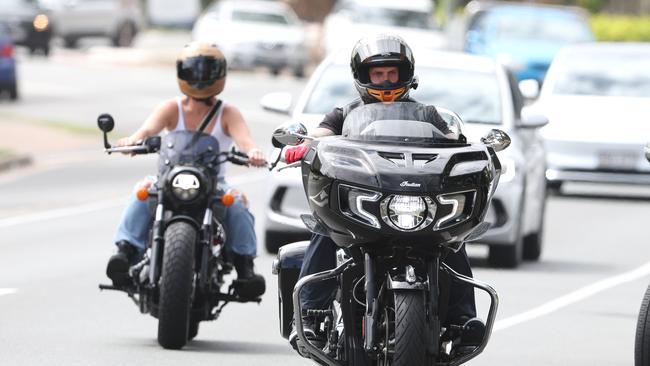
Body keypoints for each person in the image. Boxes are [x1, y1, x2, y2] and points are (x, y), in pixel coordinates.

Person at [285, 34, 484, 350]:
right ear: (363, 77)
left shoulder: (427, 115)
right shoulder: (343, 114)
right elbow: (321, 136)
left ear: (406, 75)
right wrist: (304, 144)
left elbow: (453, 141)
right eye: (378, 73)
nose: (386, 80)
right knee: (326, 227)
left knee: (452, 239)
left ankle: (463, 320)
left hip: (414, 205)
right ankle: (311, 314)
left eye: (393, 73)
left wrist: (472, 148)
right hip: (366, 207)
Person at [105, 41, 266, 295]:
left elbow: (245, 140)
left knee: (236, 204)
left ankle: (245, 268)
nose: (200, 78)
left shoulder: (228, 113)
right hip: (170, 178)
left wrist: (253, 153)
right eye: (194, 71)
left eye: (207, 72)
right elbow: (145, 131)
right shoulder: (171, 108)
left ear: (219, 74)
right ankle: (124, 252)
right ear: (183, 73)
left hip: (213, 183)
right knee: (143, 191)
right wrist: (130, 142)